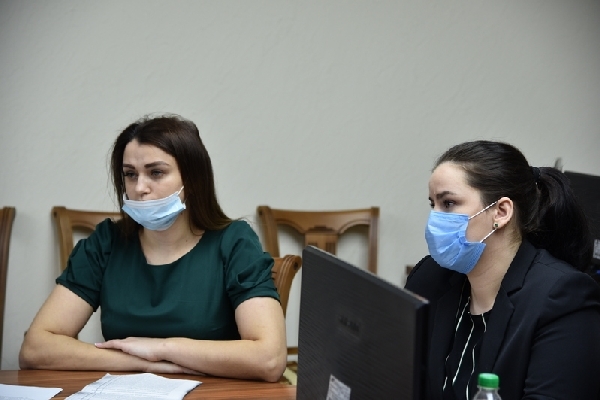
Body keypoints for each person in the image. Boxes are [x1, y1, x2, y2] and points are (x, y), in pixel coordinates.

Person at [19, 114, 287, 382]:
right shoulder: (107, 242)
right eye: (130, 174)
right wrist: (141, 362)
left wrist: (162, 348)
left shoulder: (234, 241)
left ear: (193, 179)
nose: (140, 187)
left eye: (156, 172)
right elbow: (35, 349)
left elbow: (269, 359)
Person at [405, 140, 600, 399]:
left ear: (501, 212)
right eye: (433, 205)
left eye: (449, 203)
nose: (435, 219)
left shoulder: (563, 298)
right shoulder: (431, 277)